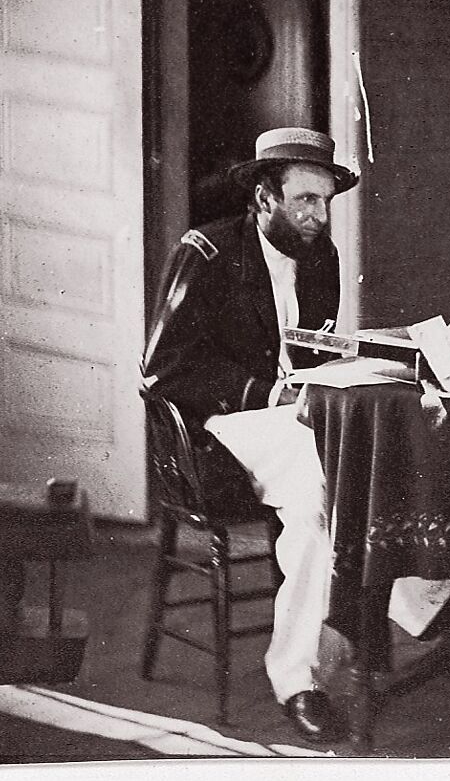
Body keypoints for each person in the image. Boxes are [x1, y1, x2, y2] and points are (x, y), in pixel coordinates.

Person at [140, 127, 356, 743]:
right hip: (215, 431)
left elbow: (313, 352)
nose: (318, 215)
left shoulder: (323, 258)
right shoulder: (205, 252)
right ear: (264, 198)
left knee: (356, 456)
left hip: (290, 421)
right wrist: (268, 394)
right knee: (321, 482)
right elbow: (163, 369)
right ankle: (299, 679)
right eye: (304, 201)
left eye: (325, 201)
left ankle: (400, 614)